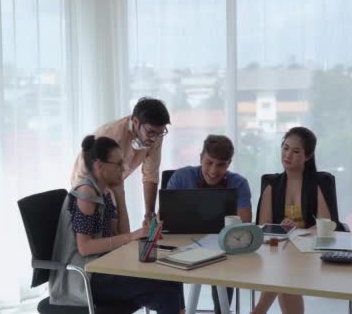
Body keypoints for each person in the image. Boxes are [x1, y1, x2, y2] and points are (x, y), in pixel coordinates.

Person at [50, 135, 185, 313]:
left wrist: (120, 194)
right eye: (118, 164)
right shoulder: (86, 193)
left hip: (105, 266)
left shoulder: (104, 190)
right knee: (165, 292)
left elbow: (121, 233)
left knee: (171, 281)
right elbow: (85, 247)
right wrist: (132, 236)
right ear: (100, 166)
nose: (124, 168)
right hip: (85, 278)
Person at [252, 127, 340, 314]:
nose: (288, 155)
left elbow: (326, 225)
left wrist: (297, 231)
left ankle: (259, 309)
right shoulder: (272, 184)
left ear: (308, 156)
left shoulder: (319, 182)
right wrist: (280, 228)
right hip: (279, 251)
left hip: (310, 251)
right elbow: (263, 227)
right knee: (284, 268)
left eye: (296, 151)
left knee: (283, 269)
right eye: (285, 148)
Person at [167, 134, 251, 314]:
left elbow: (244, 223)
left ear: (228, 164)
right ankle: (178, 310)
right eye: (209, 162)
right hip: (182, 245)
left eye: (221, 165)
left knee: (226, 266)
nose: (213, 171)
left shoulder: (239, 183)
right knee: (167, 265)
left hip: (221, 247)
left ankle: (221, 311)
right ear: (200, 158)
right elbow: (164, 219)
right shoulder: (181, 177)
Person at [71, 97, 171, 226]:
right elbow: (89, 176)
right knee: (106, 235)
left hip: (115, 185)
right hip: (88, 186)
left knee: (121, 233)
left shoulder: (155, 136)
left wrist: (149, 214)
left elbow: (150, 174)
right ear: (135, 121)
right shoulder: (111, 135)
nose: (155, 138)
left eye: (160, 133)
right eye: (151, 132)